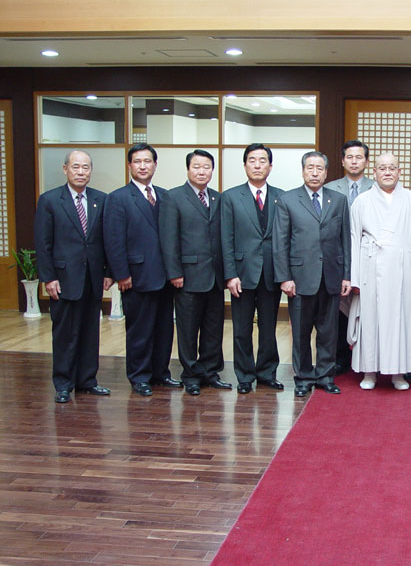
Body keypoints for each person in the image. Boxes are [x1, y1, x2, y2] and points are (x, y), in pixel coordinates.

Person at [34, 150, 113, 403]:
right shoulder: (49, 200)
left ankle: (87, 380)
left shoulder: (101, 200)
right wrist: (49, 277)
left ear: (91, 171)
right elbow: (43, 243)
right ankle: (64, 384)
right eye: (76, 167)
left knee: (91, 331)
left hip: (92, 278)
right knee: (65, 333)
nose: (81, 172)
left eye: (86, 168)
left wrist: (108, 273)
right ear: (65, 169)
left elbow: (107, 241)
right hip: (63, 278)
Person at [348, 153, 411, 390]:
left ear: (399, 172)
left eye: (392, 168)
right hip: (370, 268)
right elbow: (354, 240)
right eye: (382, 168)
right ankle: (369, 371)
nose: (387, 172)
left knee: (401, 321)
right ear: (374, 172)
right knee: (370, 320)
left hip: (403, 271)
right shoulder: (362, 201)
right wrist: (355, 278)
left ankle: (398, 373)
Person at [273, 151, 351, 398]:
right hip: (299, 278)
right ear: (303, 171)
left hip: (330, 276)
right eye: (310, 168)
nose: (315, 173)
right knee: (301, 333)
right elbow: (280, 242)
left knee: (329, 332)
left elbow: (345, 240)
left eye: (320, 168)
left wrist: (346, 275)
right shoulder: (287, 200)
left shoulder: (338, 200)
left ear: (327, 172)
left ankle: (326, 376)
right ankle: (304, 377)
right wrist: (285, 277)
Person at [104, 144, 179, 396]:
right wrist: (121, 273)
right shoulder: (118, 198)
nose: (143, 166)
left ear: (155, 165)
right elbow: (113, 240)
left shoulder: (165, 195)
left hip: (165, 277)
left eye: (148, 161)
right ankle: (139, 377)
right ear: (130, 166)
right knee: (139, 330)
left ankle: (161, 373)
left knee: (164, 329)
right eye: (137, 161)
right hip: (136, 276)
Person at [160, 150, 231, 396]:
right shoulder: (173, 197)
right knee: (188, 329)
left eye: (207, 167)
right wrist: (174, 272)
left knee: (213, 328)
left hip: (215, 275)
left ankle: (210, 372)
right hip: (187, 276)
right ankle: (190, 374)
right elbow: (168, 239)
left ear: (213, 170)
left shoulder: (218, 198)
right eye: (197, 167)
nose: (202, 171)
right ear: (188, 169)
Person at [220, 144, 284, 395]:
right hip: (242, 273)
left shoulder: (282, 196)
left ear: (270, 165)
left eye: (262, 161)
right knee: (242, 328)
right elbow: (226, 237)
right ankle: (244, 376)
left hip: (271, 274)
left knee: (269, 328)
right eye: (252, 161)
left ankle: (267, 373)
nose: (257, 165)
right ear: (245, 165)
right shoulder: (231, 197)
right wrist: (230, 274)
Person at [323, 140, 375, 375]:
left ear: (366, 161)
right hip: (337, 256)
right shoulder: (330, 188)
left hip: (370, 259)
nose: (354, 161)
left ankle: (369, 358)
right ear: (342, 161)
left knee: (369, 310)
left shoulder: (377, 188)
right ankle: (340, 358)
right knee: (338, 310)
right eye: (350, 157)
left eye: (359, 157)